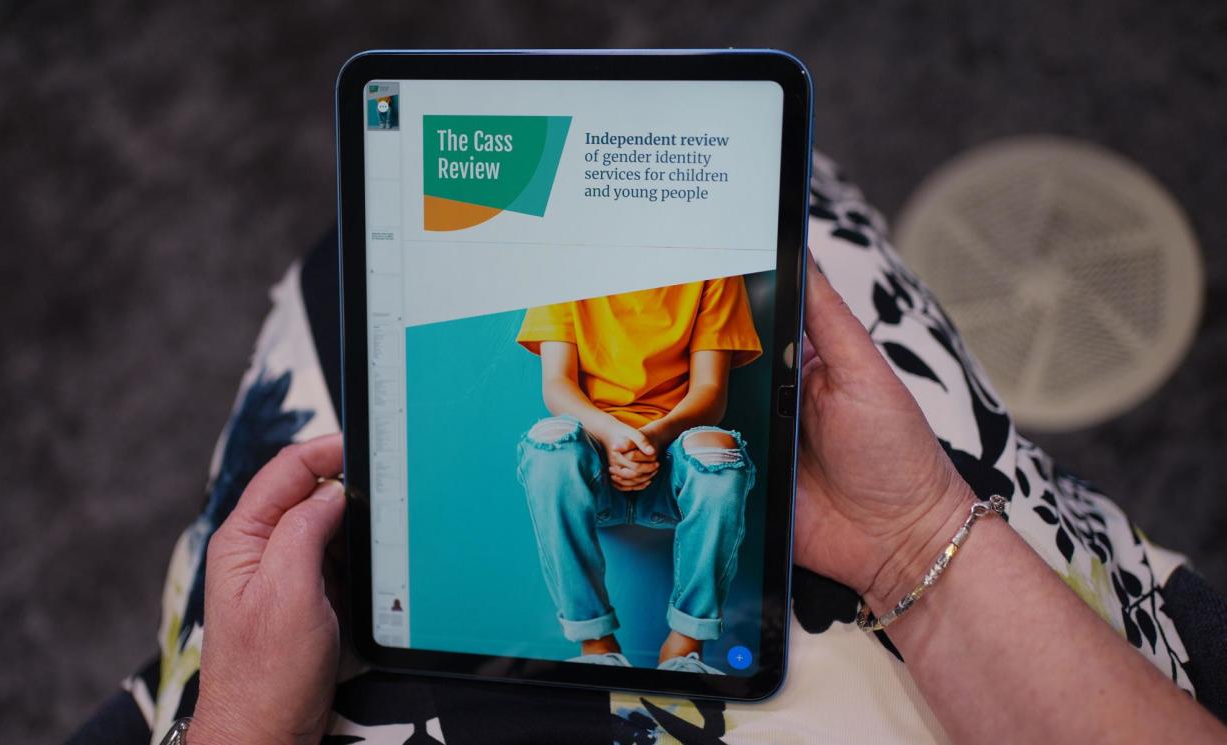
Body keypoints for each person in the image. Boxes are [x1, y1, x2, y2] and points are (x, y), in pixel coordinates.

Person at [68, 154, 1227, 744]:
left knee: (721, 461)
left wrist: (237, 730)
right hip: (614, 433)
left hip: (680, 432)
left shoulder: (705, 281)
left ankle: (681, 628)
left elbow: (718, 383)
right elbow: (560, 387)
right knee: (538, 451)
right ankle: (588, 627)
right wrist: (619, 433)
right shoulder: (563, 290)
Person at [514, 278, 762, 672]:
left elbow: (710, 390)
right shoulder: (560, 267)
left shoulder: (717, 271)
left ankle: (684, 647)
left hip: (671, 459)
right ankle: (595, 645)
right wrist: (612, 435)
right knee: (548, 442)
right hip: (593, 461)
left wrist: (653, 438)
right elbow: (557, 384)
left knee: (719, 453)